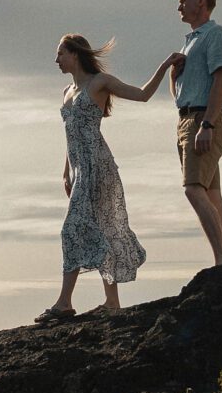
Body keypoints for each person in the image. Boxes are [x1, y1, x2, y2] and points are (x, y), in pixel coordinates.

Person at [42, 34, 173, 321]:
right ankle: (112, 302)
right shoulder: (66, 91)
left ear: (75, 54)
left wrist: (164, 67)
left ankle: (64, 302)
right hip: (79, 169)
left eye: (60, 53)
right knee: (100, 229)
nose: (56, 60)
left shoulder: (99, 82)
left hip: (98, 166)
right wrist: (67, 171)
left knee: (73, 228)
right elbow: (71, 134)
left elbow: (142, 95)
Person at [165, 0, 222, 264]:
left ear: (201, 2)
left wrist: (208, 124)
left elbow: (221, 78)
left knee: (194, 189)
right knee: (212, 192)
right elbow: (180, 95)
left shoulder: (215, 35)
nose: (179, 6)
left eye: (183, 0)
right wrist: (173, 75)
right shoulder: (191, 41)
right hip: (187, 118)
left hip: (203, 119)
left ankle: (221, 262)